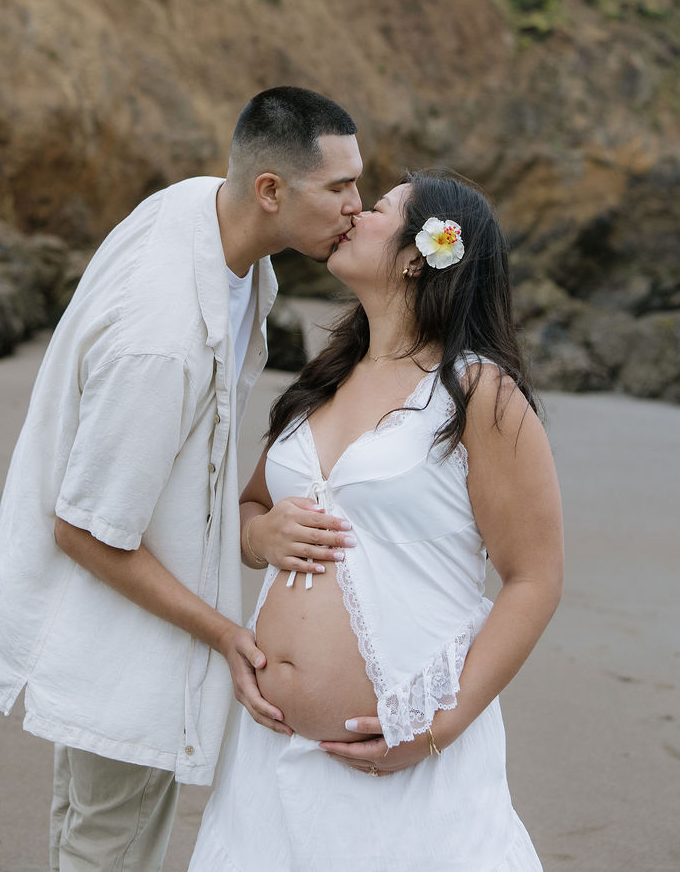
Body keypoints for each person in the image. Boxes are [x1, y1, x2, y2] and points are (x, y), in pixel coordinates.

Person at [0, 86, 363, 872]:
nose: (358, 206)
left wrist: (249, 531)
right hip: (120, 625)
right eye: (340, 187)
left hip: (132, 608)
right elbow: (83, 527)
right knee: (110, 844)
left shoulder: (204, 215)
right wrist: (227, 632)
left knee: (93, 825)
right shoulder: (164, 340)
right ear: (270, 190)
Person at [189, 171, 564, 872]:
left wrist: (437, 730)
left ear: (423, 252)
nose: (354, 211)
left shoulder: (479, 393)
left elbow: (535, 577)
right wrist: (257, 535)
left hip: (408, 758)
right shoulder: (323, 379)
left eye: (380, 206)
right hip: (268, 759)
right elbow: (250, 507)